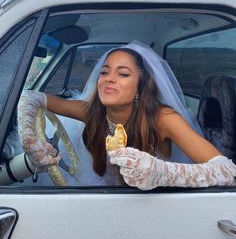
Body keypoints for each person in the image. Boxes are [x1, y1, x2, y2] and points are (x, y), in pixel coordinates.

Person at [17, 40, 236, 189]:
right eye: (104, 72)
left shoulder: (163, 119)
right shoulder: (92, 111)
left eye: (123, 74)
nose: (108, 78)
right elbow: (33, 97)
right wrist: (29, 136)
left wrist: (160, 172)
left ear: (141, 85)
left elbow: (227, 171)